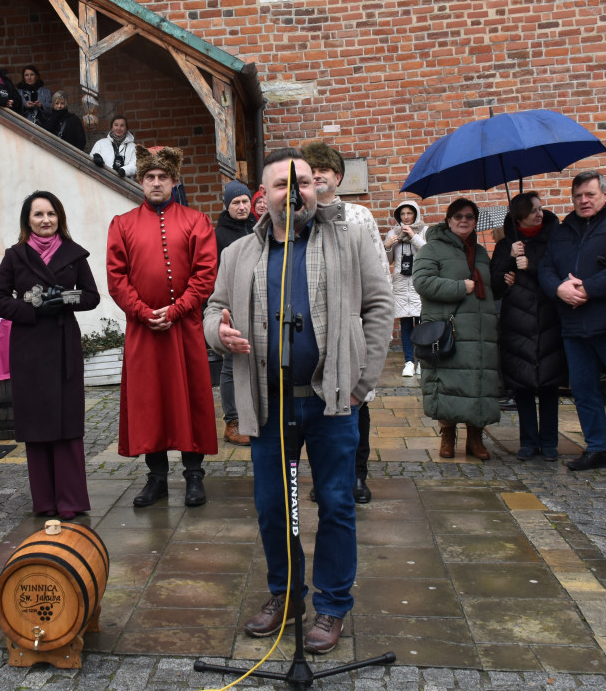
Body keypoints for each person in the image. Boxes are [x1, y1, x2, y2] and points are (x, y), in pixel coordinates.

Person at [204, 148, 393, 652]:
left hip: (331, 402)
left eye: (303, 182)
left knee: (335, 504)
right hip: (269, 405)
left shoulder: (348, 239)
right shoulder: (238, 254)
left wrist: (360, 383)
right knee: (274, 508)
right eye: (282, 185)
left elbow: (380, 306)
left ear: (318, 187)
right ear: (262, 198)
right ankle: (285, 595)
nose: (295, 192)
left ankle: (331, 607)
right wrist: (218, 334)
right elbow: (214, 309)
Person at [106, 146, 218, 507]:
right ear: (141, 181)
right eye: (150, 177)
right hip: (144, 331)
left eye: (163, 177)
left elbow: (205, 275)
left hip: (184, 328)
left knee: (190, 398)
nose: (156, 183)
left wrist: (175, 311)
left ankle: (194, 477)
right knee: (149, 401)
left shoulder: (196, 221)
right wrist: (142, 312)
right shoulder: (122, 224)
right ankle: (156, 478)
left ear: (174, 181)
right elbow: (116, 277)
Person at [0, 191, 100, 519]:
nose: (45, 220)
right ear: (28, 220)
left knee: (66, 425)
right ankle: (46, 502)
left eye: (51, 214)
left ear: (59, 218)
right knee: (37, 425)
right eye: (38, 214)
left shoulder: (74, 254)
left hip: (64, 349)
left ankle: (71, 500)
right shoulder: (16, 256)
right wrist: (30, 307)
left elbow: (91, 296)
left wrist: (64, 298)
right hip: (29, 351)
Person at [302, 140, 389, 505]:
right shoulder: (298, 217)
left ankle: (357, 475)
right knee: (315, 413)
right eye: (312, 169)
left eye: (326, 169)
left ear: (338, 176)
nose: (319, 174)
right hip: (313, 332)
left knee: (356, 409)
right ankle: (323, 477)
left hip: (348, 330)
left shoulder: (358, 217)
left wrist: (368, 344)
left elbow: (378, 281)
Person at [539, 170, 606, 479]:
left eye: (590, 194)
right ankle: (596, 449)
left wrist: (588, 288)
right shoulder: (564, 229)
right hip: (574, 325)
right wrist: (559, 288)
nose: (583, 200)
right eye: (578, 196)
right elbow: (547, 267)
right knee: (584, 390)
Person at [412, 198, 500, 460]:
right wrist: (460, 287)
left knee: (476, 383)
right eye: (458, 216)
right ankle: (447, 436)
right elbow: (423, 282)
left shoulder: (481, 252)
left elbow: (491, 289)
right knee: (447, 383)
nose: (464, 220)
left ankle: (475, 439)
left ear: (475, 221)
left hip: (479, 331)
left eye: (470, 217)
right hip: (449, 330)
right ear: (448, 220)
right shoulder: (432, 249)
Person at [489, 192, 564, 462]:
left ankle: (550, 442)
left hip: (548, 320)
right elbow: (494, 284)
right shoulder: (506, 243)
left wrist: (529, 265)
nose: (539, 213)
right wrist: (510, 257)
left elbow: (558, 272)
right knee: (522, 386)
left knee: (548, 385)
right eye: (533, 210)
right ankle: (528, 442)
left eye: (540, 208)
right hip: (516, 323)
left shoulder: (556, 237)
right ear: (519, 216)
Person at [213, 180, 254, 446]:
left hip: (258, 305)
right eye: (236, 202)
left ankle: (255, 416)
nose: (241, 207)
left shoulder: (259, 228)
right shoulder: (218, 235)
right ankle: (233, 421)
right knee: (229, 366)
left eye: (245, 202)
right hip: (232, 306)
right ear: (227, 206)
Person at [384, 201, 428, 378]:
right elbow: (386, 261)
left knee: (422, 324)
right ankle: (409, 361)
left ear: (415, 214)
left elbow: (428, 252)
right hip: (402, 285)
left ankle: (422, 362)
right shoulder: (393, 233)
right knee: (406, 325)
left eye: (410, 213)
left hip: (420, 284)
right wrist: (387, 245)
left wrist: (413, 236)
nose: (406, 217)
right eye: (403, 214)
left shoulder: (424, 231)